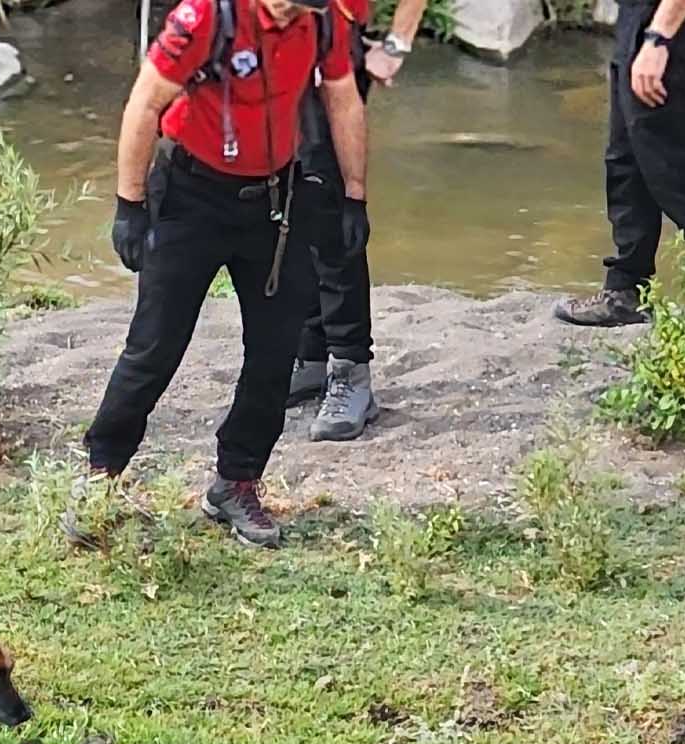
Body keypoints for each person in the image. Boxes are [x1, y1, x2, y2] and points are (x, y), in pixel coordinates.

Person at [69, 0, 369, 549]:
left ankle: (236, 482)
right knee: (154, 347)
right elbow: (145, 100)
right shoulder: (206, 17)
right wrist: (129, 205)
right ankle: (100, 476)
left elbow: (342, 97)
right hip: (191, 197)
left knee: (276, 354)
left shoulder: (321, 20)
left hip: (276, 201)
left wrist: (354, 195)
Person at [553, 0, 685, 328]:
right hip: (637, 20)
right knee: (625, 161)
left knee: (671, 171)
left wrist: (658, 39)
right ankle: (625, 291)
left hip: (665, 25)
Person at [285, 0, 428, 441]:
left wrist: (396, 43)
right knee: (287, 198)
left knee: (328, 197)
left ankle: (350, 370)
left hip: (329, 37)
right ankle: (310, 354)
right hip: (266, 32)